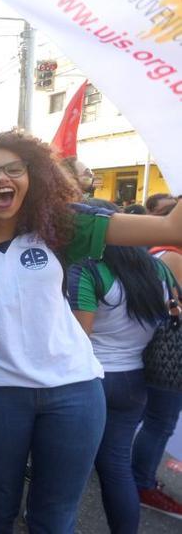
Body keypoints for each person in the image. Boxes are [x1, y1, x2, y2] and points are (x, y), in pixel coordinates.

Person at [0, 127, 182, 532]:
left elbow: (172, 230)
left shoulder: (63, 226)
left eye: (14, 169)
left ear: (33, 176)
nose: (2, 179)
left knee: (54, 516)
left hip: (74, 391)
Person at [67, 200, 179, 533]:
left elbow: (79, 336)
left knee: (68, 468)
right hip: (136, 381)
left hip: (93, 379)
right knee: (115, 467)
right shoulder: (155, 268)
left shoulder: (87, 269)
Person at [132, 192, 182, 518]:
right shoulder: (174, 255)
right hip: (170, 353)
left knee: (148, 418)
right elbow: (171, 308)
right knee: (159, 422)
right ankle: (142, 484)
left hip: (158, 349)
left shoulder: (163, 250)